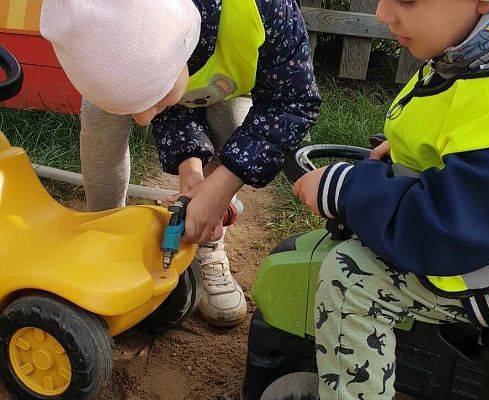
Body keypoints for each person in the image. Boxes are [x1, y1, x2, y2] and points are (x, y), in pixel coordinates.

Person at [293, 0, 489, 398]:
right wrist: (403, 150)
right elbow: (470, 128)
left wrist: (345, 189)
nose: (382, 13)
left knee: (350, 277)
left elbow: (449, 228)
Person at [40, 0, 320, 327]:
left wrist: (219, 189)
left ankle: (209, 241)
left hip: (230, 63)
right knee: (106, 117)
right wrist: (192, 171)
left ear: (182, 41)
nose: (144, 121)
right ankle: (105, 233)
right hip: (168, 56)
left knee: (231, 121)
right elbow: (172, 97)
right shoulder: (148, 30)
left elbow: (291, 102)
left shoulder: (267, 8)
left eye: (151, 101)